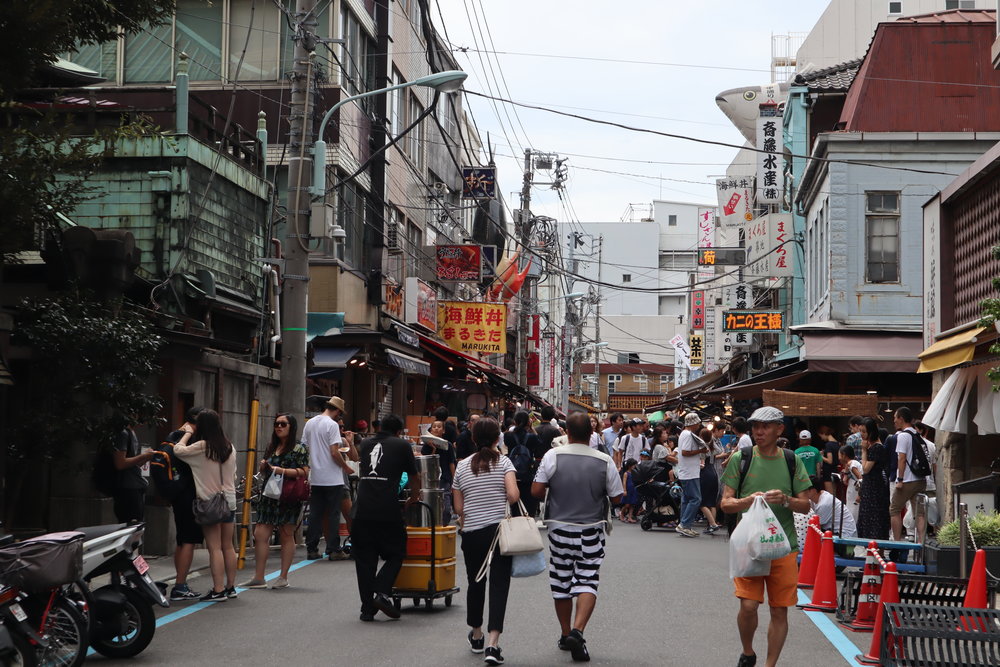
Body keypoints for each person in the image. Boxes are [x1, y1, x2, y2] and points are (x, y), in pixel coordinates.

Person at [720, 407, 812, 667]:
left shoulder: (792, 460)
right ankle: (748, 652)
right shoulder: (742, 458)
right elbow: (725, 503)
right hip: (748, 547)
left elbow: (805, 505)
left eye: (765, 426)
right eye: (755, 427)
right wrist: (747, 501)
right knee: (748, 605)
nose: (758, 432)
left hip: (784, 547)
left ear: (779, 429)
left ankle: (770, 664)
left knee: (779, 609)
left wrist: (785, 499)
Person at [532, 412, 623, 663]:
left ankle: (565, 633)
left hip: (559, 527)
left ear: (567, 433)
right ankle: (578, 630)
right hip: (591, 528)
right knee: (587, 579)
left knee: (561, 582)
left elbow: (537, 491)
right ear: (591, 434)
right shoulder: (604, 460)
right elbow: (617, 497)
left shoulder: (553, 456)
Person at [452, 417, 519, 664]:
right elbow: (512, 496)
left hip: (471, 533)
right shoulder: (504, 462)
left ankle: (477, 635)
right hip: (499, 533)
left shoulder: (462, 466)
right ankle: (493, 644)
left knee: (475, 581)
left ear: (472, 438)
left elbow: (459, 508)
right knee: (499, 584)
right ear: (497, 438)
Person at [353, 414, 419, 622]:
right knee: (397, 551)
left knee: (365, 560)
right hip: (387, 508)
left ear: (380, 426)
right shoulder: (402, 445)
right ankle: (381, 592)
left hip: (361, 509)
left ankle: (366, 609)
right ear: (399, 431)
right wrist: (414, 497)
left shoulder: (365, 444)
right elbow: (414, 477)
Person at [174, 410, 238, 601]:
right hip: (229, 501)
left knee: (215, 548)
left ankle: (218, 590)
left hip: (210, 503)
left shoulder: (202, 447)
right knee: (228, 546)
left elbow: (178, 451)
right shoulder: (230, 447)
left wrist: (186, 433)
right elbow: (233, 474)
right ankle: (230, 587)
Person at [241, 413, 309, 590]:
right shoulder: (272, 446)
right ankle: (259, 577)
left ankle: (283, 577)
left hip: (288, 496)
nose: (278, 427)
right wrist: (264, 467)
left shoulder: (299, 448)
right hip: (269, 494)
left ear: (291, 427)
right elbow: (266, 471)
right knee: (260, 534)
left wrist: (281, 470)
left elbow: (304, 472)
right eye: (276, 424)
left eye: (283, 424)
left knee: (287, 534)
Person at [303, 396, 353, 560]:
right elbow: (334, 451)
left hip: (316, 476)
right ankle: (333, 549)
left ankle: (311, 548)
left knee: (315, 513)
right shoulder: (331, 425)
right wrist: (345, 467)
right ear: (337, 411)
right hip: (332, 477)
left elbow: (304, 447)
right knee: (333, 514)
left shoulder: (309, 423)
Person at [164, 407, 205, 601]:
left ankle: (180, 583)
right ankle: (180, 585)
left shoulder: (173, 435)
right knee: (188, 540)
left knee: (182, 540)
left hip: (176, 494)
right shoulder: (191, 440)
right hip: (189, 494)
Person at [889, 407, 928, 544]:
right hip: (920, 479)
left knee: (894, 509)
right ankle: (921, 542)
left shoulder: (903, 436)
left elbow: (902, 458)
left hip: (907, 480)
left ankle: (898, 541)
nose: (894, 420)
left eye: (895, 417)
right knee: (920, 513)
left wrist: (899, 479)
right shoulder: (917, 434)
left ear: (901, 418)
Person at [502, 411, 543, 518]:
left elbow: (504, 448)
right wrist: (532, 428)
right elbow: (539, 443)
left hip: (512, 474)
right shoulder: (532, 437)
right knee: (528, 508)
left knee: (514, 508)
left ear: (515, 421)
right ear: (528, 422)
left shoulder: (508, 436)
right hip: (528, 475)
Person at [112, 423, 154, 524]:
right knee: (131, 528)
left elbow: (132, 465)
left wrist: (146, 457)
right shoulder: (123, 433)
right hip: (128, 490)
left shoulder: (131, 433)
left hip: (135, 487)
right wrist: (143, 456)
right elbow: (120, 463)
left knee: (136, 527)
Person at [676, 413, 709, 538]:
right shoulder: (688, 435)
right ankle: (684, 525)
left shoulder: (684, 434)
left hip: (686, 471)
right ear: (693, 423)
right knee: (696, 499)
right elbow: (685, 452)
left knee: (686, 500)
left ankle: (685, 525)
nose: (699, 424)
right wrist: (701, 450)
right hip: (690, 473)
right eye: (698, 422)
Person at [858, 417, 890, 541]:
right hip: (870, 485)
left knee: (874, 517)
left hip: (875, 487)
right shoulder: (872, 446)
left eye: (864, 431)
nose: (862, 434)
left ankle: (876, 548)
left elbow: (866, 469)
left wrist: (864, 450)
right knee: (869, 517)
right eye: (860, 431)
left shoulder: (876, 447)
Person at [422, 420, 457, 522]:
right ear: (431, 430)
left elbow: (451, 463)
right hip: (430, 479)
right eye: (434, 427)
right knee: (431, 505)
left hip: (444, 478)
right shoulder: (426, 445)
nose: (436, 428)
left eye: (439, 426)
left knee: (445, 506)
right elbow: (427, 461)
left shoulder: (448, 445)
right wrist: (433, 449)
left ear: (444, 430)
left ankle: (444, 524)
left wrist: (454, 480)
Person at [699, 427, 723, 534]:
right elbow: (719, 451)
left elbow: (702, 464)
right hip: (714, 472)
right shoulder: (713, 446)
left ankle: (713, 524)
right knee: (712, 502)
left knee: (702, 502)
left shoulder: (702, 447)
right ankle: (712, 526)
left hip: (705, 474)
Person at [839, 445, 863, 524]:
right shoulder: (850, 463)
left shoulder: (852, 465)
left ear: (844, 455)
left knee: (854, 511)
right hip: (852, 489)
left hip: (856, 491)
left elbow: (860, 478)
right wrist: (845, 475)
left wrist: (859, 494)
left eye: (839, 455)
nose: (839, 458)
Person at [620, 458, 639, 523]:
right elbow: (624, 482)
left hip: (634, 490)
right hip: (628, 490)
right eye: (633, 465)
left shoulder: (635, 473)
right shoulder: (626, 473)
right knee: (627, 504)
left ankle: (630, 517)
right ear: (629, 465)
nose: (635, 466)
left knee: (632, 504)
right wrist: (624, 490)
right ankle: (622, 513)